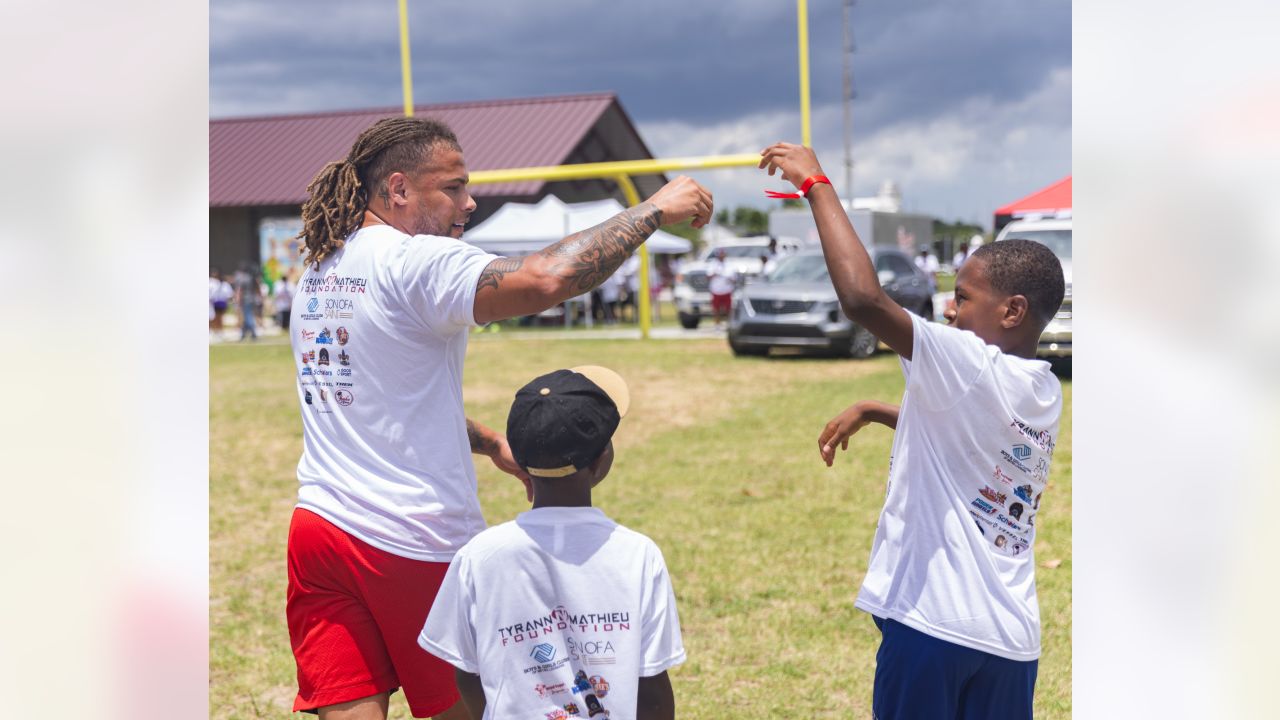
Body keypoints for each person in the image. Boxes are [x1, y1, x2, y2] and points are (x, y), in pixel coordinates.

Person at [285, 116, 710, 720]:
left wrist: (487, 442)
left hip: (319, 530)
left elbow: (383, 399)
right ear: (399, 189)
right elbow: (546, 280)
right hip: (408, 538)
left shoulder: (323, 269)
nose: (470, 200)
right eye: (453, 187)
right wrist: (652, 211)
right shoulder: (415, 262)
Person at [759, 142, 1065, 720]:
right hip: (1011, 641)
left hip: (934, 629)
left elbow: (862, 300)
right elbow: (978, 438)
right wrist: (880, 410)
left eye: (965, 297)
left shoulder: (967, 361)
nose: (951, 311)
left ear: (1013, 311)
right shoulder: (1043, 388)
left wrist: (816, 185)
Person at [419, 366, 684, 720]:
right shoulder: (638, 555)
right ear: (601, 461)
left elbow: (467, 673)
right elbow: (652, 691)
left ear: (520, 459)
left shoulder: (479, 557)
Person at [706, 248, 735, 327]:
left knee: (728, 309)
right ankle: (717, 325)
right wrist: (715, 273)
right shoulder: (713, 264)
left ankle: (729, 324)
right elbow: (708, 276)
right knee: (716, 309)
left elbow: (734, 279)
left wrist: (729, 278)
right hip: (716, 290)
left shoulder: (729, 265)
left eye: (723, 254)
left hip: (727, 290)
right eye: (720, 254)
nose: (722, 256)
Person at [234, 263, 261, 341]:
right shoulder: (252, 278)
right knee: (247, 316)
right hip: (253, 299)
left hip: (245, 299)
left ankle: (253, 333)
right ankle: (243, 334)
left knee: (248, 316)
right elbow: (258, 289)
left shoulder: (243, 279)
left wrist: (238, 300)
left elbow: (240, 291)